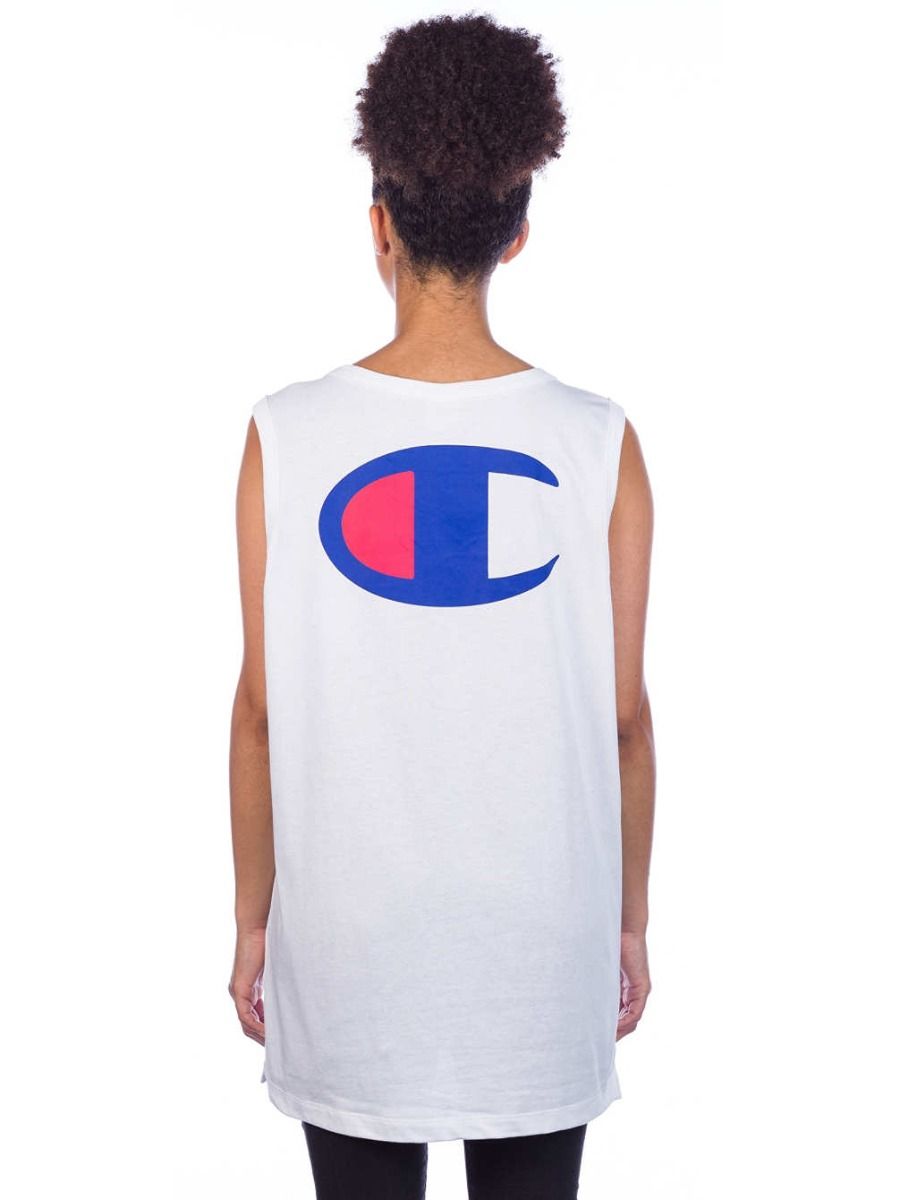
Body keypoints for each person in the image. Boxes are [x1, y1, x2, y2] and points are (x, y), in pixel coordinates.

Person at [228, 13, 655, 1199]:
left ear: (379, 225)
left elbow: (260, 713)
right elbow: (624, 720)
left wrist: (255, 921)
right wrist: (627, 922)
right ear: (519, 231)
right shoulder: (599, 443)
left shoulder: (284, 436)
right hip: (540, 945)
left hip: (350, 948)